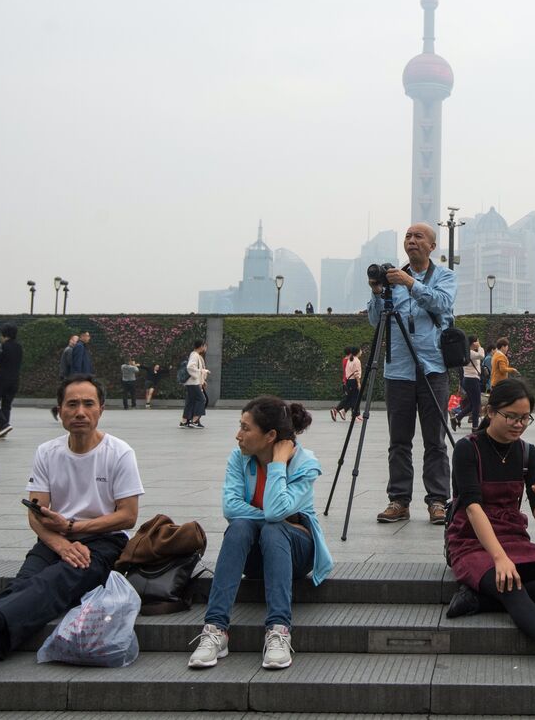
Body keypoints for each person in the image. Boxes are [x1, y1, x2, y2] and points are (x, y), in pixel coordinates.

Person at [0, 375, 143, 674]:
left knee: (52, 582)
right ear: (60, 410)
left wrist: (73, 529)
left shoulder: (119, 452)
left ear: (101, 410)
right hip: (54, 536)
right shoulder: (47, 452)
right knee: (24, 582)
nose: (80, 412)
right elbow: (36, 511)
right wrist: (61, 543)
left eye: (88, 404)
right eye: (72, 404)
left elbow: (128, 516)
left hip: (104, 540)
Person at [442, 379, 535, 673]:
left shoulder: (527, 453)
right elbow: (472, 508)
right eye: (511, 416)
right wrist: (499, 558)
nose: (519, 424)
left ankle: (478, 601)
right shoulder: (467, 449)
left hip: (514, 539)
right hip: (471, 541)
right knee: (510, 584)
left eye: (525, 418)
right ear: (490, 411)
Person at [188, 396, 333, 671]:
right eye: (240, 426)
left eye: (245, 428)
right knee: (240, 526)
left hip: (296, 554)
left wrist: (278, 463)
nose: (238, 435)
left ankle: (279, 630)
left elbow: (276, 512)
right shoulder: (239, 458)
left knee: (274, 530)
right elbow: (231, 508)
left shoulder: (305, 464)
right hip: (254, 556)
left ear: (270, 436)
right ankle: (216, 629)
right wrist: (270, 518)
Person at [366, 222, 458, 526]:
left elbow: (442, 304)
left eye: (419, 237)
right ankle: (399, 500)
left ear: (432, 246)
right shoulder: (392, 280)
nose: (411, 241)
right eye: (408, 236)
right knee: (399, 441)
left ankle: (438, 501)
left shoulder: (444, 276)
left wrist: (410, 283)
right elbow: (374, 320)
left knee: (435, 440)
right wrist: (378, 292)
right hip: (398, 372)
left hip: (433, 369)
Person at [0, 324, 23, 438]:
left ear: (4, 334)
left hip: (1, 380)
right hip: (15, 380)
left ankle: (3, 424)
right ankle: (3, 429)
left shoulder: (1, 346)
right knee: (6, 405)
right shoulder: (19, 347)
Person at [455, 336, 485, 430]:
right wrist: (480, 347)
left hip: (468, 380)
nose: (478, 343)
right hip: (472, 380)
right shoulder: (470, 352)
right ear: (473, 343)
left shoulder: (468, 352)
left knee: (472, 404)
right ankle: (475, 427)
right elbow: (482, 356)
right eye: (477, 341)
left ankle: (457, 418)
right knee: (476, 404)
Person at [181, 341, 210, 429]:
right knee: (201, 399)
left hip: (192, 382)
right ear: (201, 346)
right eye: (204, 346)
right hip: (193, 382)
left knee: (190, 401)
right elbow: (190, 367)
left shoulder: (194, 354)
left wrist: (201, 380)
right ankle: (194, 421)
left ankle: (184, 421)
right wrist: (202, 372)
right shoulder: (195, 355)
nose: (205, 348)